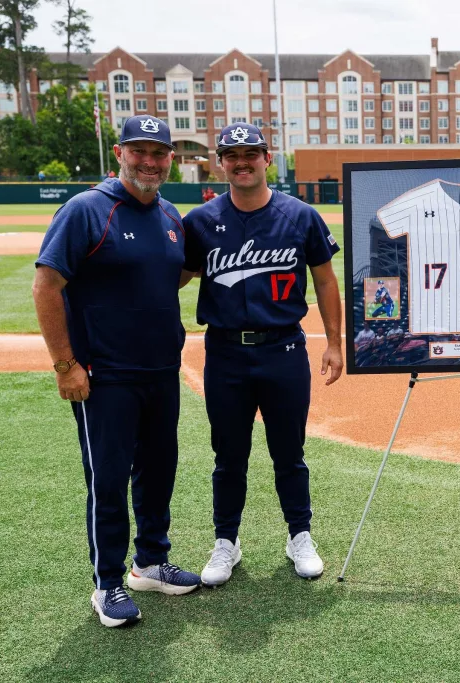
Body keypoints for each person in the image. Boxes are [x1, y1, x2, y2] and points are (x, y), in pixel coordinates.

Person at [33, 115, 201, 628]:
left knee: (158, 471)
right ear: (119, 152)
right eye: (139, 150)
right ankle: (107, 583)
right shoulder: (87, 209)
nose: (149, 161)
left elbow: (173, 273)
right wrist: (66, 365)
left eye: (159, 152)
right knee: (107, 480)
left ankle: (149, 562)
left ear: (171, 158)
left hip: (159, 370)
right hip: (104, 376)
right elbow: (46, 287)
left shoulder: (171, 213)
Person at [180, 123, 344, 586]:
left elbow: (326, 280)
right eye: (231, 155)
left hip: (284, 348)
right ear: (220, 163)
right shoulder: (200, 221)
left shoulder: (301, 215)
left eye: (250, 153)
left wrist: (333, 342)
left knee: (289, 452)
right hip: (226, 353)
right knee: (228, 454)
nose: (241, 161)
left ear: (267, 158)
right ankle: (225, 542)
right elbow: (176, 276)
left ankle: (300, 535)